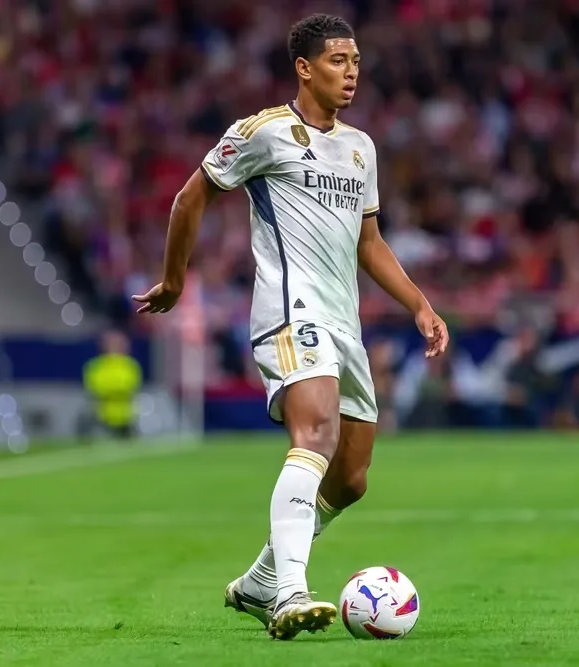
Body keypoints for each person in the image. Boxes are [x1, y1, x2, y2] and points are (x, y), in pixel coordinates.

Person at [132, 14, 449, 640]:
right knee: (316, 432)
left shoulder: (360, 148)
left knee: (351, 477)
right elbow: (190, 198)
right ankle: (289, 593)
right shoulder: (264, 132)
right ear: (304, 68)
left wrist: (418, 302)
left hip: (343, 322)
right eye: (337, 61)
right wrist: (174, 279)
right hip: (288, 311)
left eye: (355, 62)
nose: (351, 73)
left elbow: (369, 241)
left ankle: (258, 581)